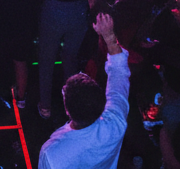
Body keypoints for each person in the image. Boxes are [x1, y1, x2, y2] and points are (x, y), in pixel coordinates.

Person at [38, 13, 130, 169]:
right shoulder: (115, 123)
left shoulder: (53, 154)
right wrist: (109, 37)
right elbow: (119, 72)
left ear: (67, 110)